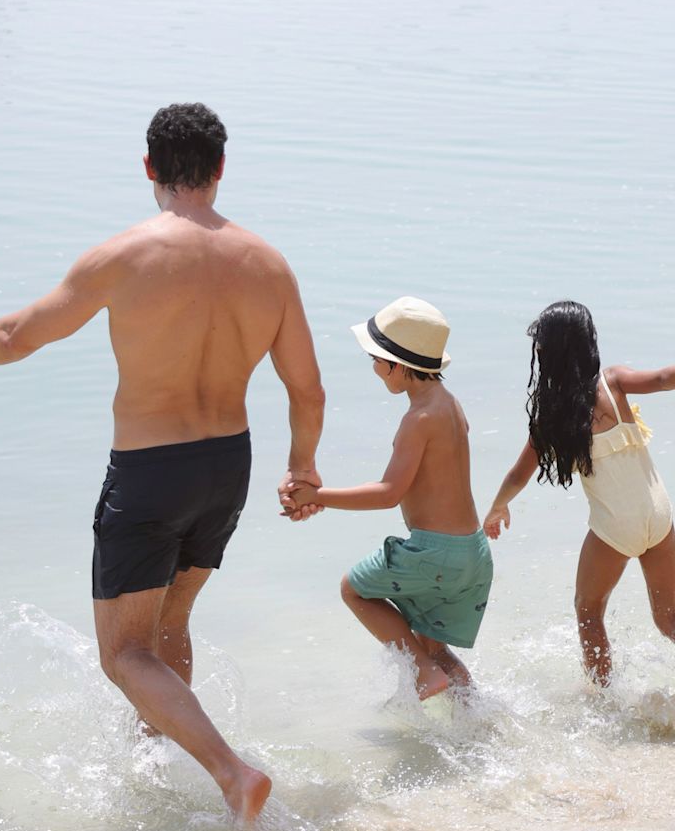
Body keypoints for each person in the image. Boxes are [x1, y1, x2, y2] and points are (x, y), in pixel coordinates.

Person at [0, 102, 326, 821]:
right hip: (228, 466)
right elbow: (306, 388)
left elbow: (16, 336)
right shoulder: (268, 265)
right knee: (168, 622)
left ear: (150, 167)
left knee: (123, 654)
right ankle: (156, 763)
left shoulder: (123, 257)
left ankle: (232, 774)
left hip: (153, 471)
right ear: (221, 169)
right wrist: (303, 468)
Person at [288, 296, 493, 699]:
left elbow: (388, 494)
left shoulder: (418, 419)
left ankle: (422, 673)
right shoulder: (450, 405)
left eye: (376, 361)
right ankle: (475, 716)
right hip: (472, 552)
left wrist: (318, 496)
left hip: (435, 553)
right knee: (434, 645)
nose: (374, 369)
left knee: (353, 588)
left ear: (397, 365)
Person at [483, 300, 675, 686]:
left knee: (588, 610)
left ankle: (603, 699)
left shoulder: (553, 417)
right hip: (660, 516)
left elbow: (517, 475)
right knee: (668, 619)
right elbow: (663, 378)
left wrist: (497, 508)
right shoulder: (614, 382)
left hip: (615, 529)